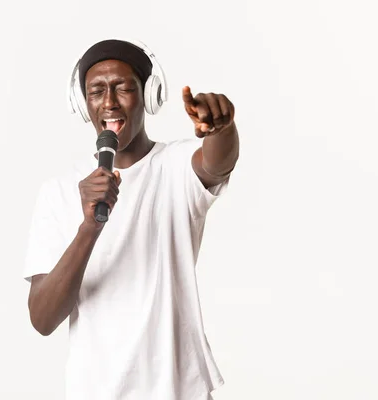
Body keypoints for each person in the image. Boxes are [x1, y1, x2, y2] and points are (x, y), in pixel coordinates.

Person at [23, 38, 240, 400]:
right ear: (82, 103)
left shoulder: (175, 166)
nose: (109, 102)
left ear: (149, 95)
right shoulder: (58, 192)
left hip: (177, 390)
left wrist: (220, 128)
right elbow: (43, 319)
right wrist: (89, 227)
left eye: (123, 88)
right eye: (96, 91)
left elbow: (217, 162)